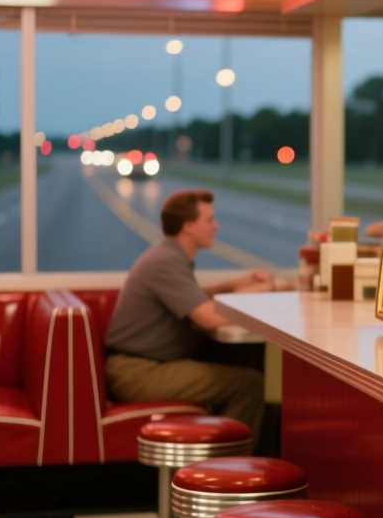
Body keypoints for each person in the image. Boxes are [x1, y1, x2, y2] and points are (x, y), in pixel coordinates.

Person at [103, 188, 274, 440]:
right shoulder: (166, 262)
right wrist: (267, 289)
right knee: (250, 385)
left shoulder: (167, 256)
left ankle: (220, 455)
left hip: (138, 366)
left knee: (235, 370)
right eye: (209, 220)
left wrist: (238, 284)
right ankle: (229, 470)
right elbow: (208, 318)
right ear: (189, 226)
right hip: (137, 373)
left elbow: (193, 296)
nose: (216, 226)